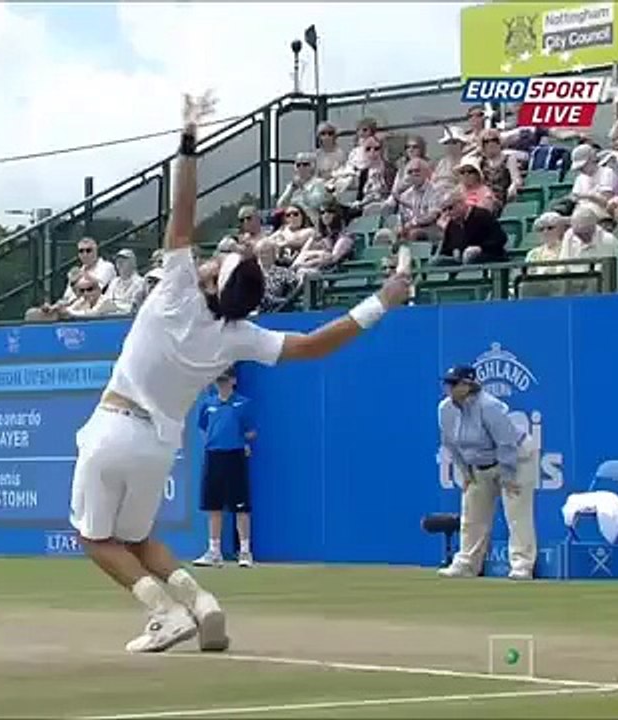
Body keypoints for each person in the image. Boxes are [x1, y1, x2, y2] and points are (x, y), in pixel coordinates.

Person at [69, 92, 412, 654]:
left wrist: (188, 139)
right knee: (139, 538)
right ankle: (201, 602)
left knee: (95, 538)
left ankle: (164, 614)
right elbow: (314, 344)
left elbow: (182, 211)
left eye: (217, 261)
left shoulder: (176, 290)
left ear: (212, 281)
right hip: (158, 446)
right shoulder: (239, 335)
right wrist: (382, 300)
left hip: (113, 428)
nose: (211, 257)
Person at [437, 366, 538, 581]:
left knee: (517, 515)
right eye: (447, 383)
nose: (448, 388)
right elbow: (450, 443)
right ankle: (467, 564)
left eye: (454, 383)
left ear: (468, 385)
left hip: (516, 459)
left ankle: (522, 565)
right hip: (479, 464)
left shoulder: (489, 406)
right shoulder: (445, 409)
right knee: (472, 515)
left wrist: (508, 476)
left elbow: (506, 443)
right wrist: (465, 472)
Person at [192, 367, 257, 568]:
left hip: (235, 455)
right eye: (219, 380)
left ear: (233, 381)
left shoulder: (243, 404)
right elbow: (203, 427)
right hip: (214, 456)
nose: (222, 384)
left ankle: (245, 552)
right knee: (213, 505)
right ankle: (214, 551)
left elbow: (251, 431)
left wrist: (241, 441)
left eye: (225, 380)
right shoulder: (208, 404)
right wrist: (213, 440)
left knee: (241, 506)